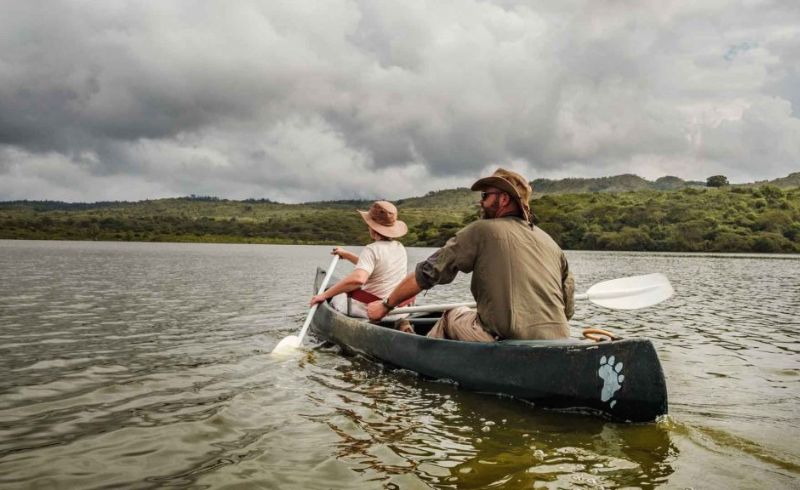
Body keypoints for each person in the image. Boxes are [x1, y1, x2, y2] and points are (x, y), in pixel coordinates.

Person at [367, 168, 575, 341]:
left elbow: (428, 273)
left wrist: (385, 305)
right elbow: (568, 309)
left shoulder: (481, 230)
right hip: (558, 337)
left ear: (503, 199)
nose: (481, 202)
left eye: (485, 196)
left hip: (506, 339)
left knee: (451, 315)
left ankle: (417, 359)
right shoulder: (551, 243)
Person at [310, 200, 409, 319]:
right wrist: (346, 255)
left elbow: (358, 280)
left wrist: (324, 295)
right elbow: (374, 266)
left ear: (372, 228)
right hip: (399, 312)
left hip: (373, 311)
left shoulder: (371, 249)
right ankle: (402, 323)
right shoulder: (399, 247)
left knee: (335, 297)